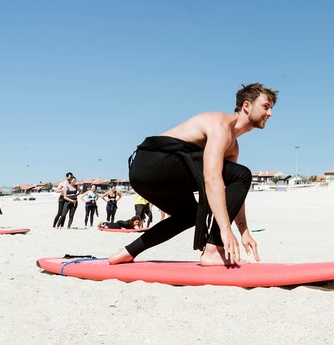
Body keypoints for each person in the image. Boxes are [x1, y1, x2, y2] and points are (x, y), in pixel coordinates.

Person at [108, 83, 277, 266]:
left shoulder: (232, 146)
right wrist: (225, 230)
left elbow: (233, 189)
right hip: (153, 163)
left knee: (190, 215)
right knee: (242, 173)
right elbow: (212, 178)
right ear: (246, 106)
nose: (270, 114)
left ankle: (128, 252)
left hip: (146, 178)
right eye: (266, 107)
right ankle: (213, 250)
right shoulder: (220, 125)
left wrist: (244, 231)